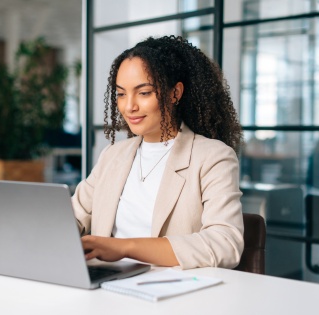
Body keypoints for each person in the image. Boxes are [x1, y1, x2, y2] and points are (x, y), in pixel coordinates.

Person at [73, 35, 244, 270]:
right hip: (106, 285)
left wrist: (123, 247)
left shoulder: (213, 157)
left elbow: (225, 244)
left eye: (144, 93)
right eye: (121, 94)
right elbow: (72, 216)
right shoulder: (113, 156)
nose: (129, 106)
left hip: (170, 293)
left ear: (175, 93)